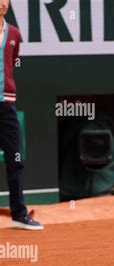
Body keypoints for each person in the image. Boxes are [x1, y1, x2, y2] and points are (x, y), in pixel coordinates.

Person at [0, 0, 43, 230]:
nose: (3, 3)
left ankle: (19, 214)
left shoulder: (14, 33)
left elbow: (11, 62)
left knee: (15, 159)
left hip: (7, 104)